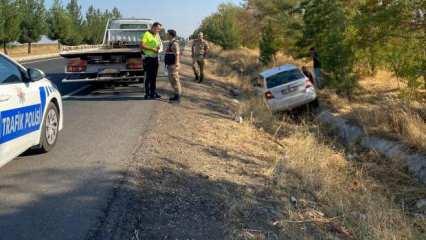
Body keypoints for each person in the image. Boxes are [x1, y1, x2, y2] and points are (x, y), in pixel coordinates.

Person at [141, 22, 162, 99]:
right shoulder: (146, 34)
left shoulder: (156, 35)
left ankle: (153, 92)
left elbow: (158, 43)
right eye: (158, 29)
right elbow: (142, 45)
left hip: (155, 58)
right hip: (148, 58)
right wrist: (152, 49)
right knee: (149, 77)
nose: (158, 31)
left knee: (154, 77)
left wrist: (158, 47)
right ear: (153, 27)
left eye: (159, 29)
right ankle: (147, 94)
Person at [164, 29, 181, 103]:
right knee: (172, 81)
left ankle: (178, 98)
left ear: (171, 35)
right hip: (169, 65)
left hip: (173, 65)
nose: (166, 35)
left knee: (175, 80)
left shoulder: (175, 43)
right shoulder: (170, 43)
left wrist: (176, 64)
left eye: (167, 34)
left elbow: (177, 54)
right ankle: (175, 95)